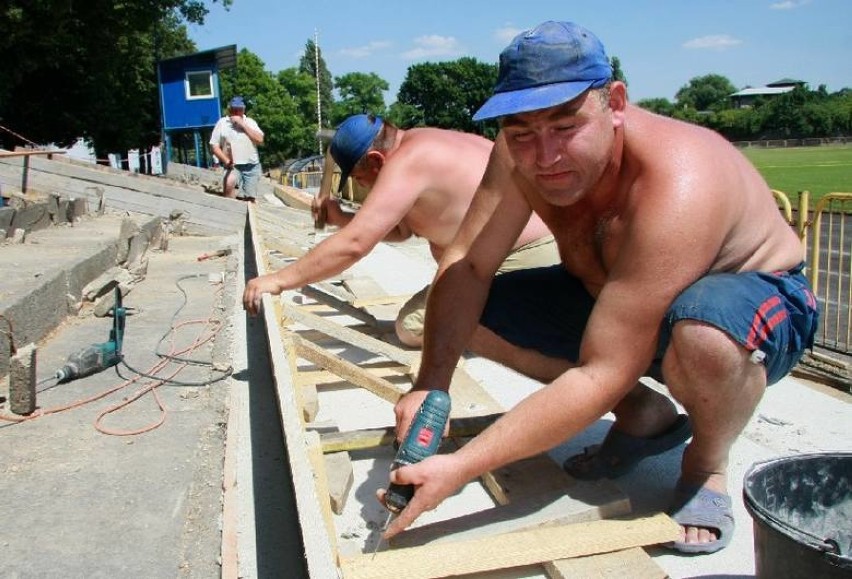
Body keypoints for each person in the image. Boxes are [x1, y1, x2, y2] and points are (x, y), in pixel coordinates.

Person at [383, 21, 818, 554]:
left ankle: (706, 464)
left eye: (566, 126)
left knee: (703, 332)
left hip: (752, 305)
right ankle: (643, 416)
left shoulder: (679, 179)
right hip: (621, 297)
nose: (545, 157)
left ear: (615, 103)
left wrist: (459, 467)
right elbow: (467, 266)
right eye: (521, 133)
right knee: (459, 308)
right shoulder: (515, 154)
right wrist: (432, 382)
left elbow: (602, 370)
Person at [242, 114, 559, 346]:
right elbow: (401, 232)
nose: (363, 186)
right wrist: (341, 219)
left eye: (360, 178)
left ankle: (533, 321)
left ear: (377, 161)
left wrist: (279, 280)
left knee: (412, 328)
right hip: (527, 248)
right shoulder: (422, 139)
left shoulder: (408, 162)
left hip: (524, 258)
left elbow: (354, 245)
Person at [209, 96, 264, 201]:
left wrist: (243, 125)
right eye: (234, 109)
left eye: (239, 109)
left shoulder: (250, 122)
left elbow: (260, 139)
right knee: (229, 185)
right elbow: (214, 146)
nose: (237, 111)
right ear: (230, 109)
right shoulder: (222, 123)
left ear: (243, 109)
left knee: (250, 197)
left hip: (251, 165)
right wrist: (226, 160)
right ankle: (229, 211)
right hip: (232, 165)